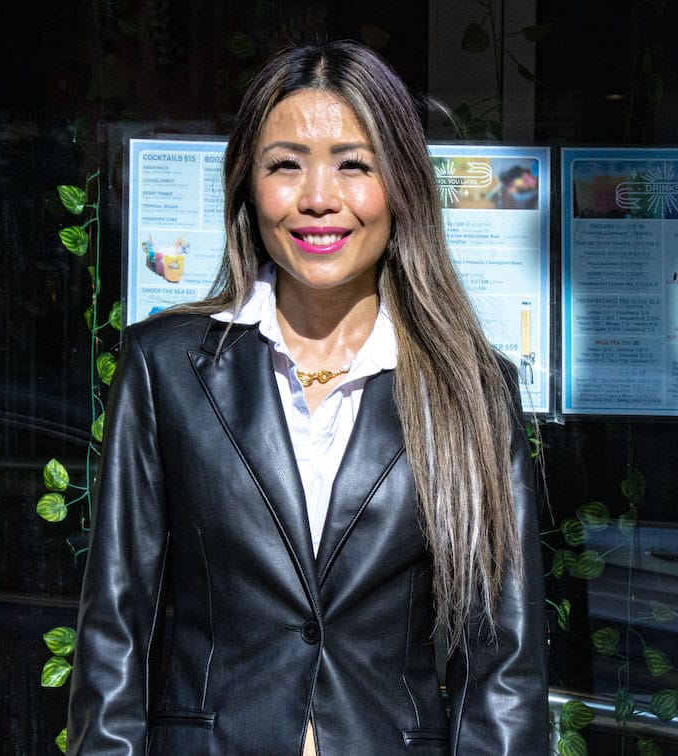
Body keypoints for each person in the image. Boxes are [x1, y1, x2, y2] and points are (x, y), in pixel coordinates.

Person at [66, 39, 548, 755]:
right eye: (285, 164)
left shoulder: (469, 388)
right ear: (247, 185)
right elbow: (115, 623)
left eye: (355, 165)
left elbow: (502, 661)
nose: (319, 197)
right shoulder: (165, 367)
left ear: (402, 186)